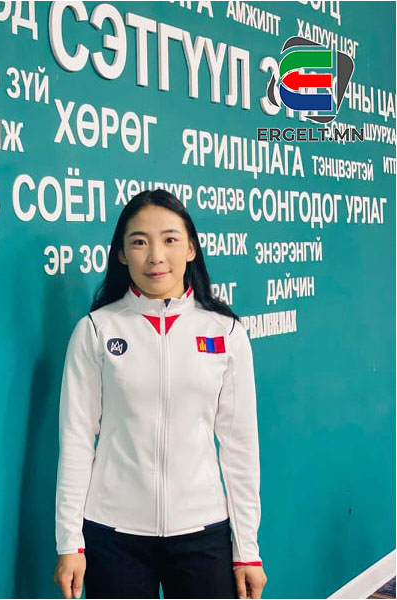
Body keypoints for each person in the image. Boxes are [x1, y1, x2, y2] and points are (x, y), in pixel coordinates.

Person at [53, 189, 267, 599]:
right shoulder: (96, 331)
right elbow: (76, 441)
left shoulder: (225, 332)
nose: (155, 256)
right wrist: (70, 543)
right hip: (113, 535)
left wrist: (247, 552)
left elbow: (240, 448)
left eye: (170, 239)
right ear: (121, 253)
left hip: (203, 532)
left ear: (191, 248)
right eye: (139, 242)